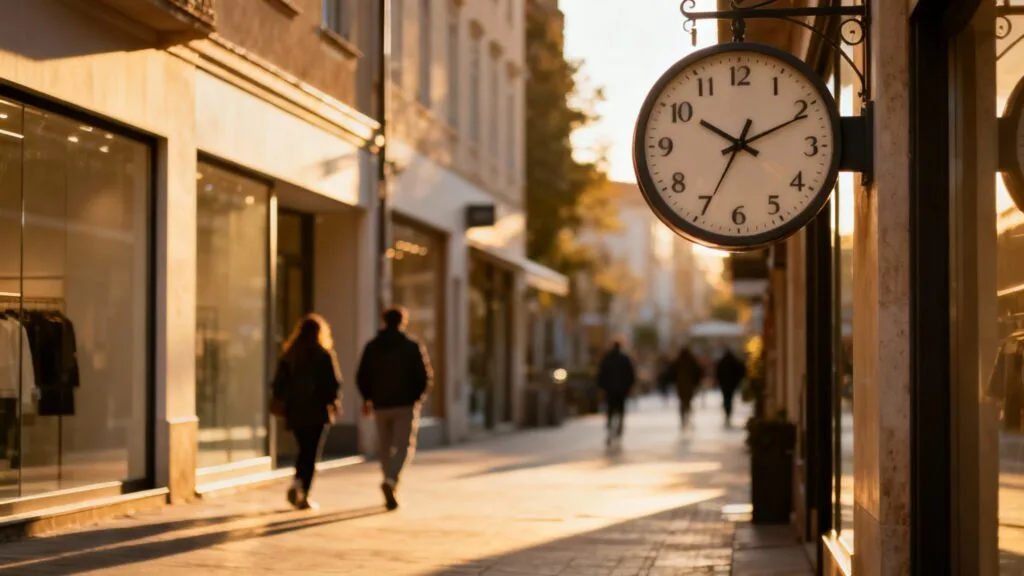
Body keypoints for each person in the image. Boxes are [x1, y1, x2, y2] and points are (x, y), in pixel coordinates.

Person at [357, 307, 433, 511]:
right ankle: (391, 480)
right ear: (403, 322)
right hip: (404, 404)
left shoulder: (372, 347)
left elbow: (362, 375)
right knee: (403, 447)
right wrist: (416, 398)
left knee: (384, 446)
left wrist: (367, 398)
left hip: (380, 405)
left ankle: (388, 480)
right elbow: (424, 376)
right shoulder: (411, 346)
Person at [270, 314, 343, 510]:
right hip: (317, 411)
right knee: (311, 453)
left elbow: (278, 384)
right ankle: (302, 491)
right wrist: (333, 402)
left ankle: (297, 483)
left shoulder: (290, 355)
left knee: (303, 449)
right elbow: (333, 385)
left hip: (295, 410)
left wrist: (286, 400)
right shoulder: (324, 355)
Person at [596, 338, 636, 446]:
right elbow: (631, 374)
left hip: (610, 390)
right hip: (621, 390)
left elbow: (601, 374)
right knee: (621, 409)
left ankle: (610, 426)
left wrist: (601, 386)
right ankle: (619, 428)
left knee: (610, 409)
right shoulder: (624, 358)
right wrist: (629, 386)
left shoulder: (607, 358)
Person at [671, 344, 704, 428]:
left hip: (681, 385)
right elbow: (698, 372)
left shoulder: (678, 360)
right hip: (689, 386)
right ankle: (687, 416)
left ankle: (683, 418)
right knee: (688, 402)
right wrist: (696, 383)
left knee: (682, 402)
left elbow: (671, 372)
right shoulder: (691, 360)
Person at [715, 347, 747, 427]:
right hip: (731, 384)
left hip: (725, 384)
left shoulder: (722, 362)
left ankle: (727, 413)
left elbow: (718, 372)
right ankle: (728, 413)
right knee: (729, 399)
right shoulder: (734, 361)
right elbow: (742, 370)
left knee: (726, 399)